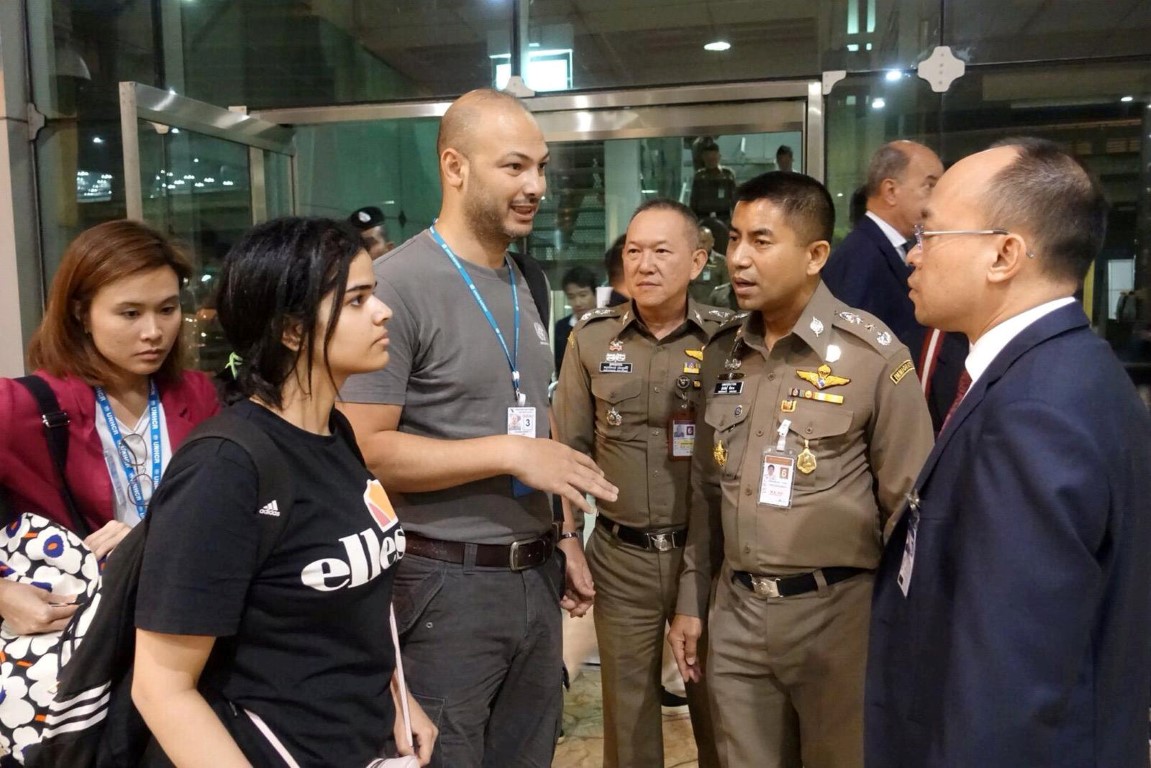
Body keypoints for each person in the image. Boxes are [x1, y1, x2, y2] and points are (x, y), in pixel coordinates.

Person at [337, 88, 618, 768]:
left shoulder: (526, 278)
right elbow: (364, 450)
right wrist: (509, 453)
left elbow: (529, 409)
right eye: (515, 168)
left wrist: (561, 536)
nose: (536, 187)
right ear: (454, 167)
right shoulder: (394, 286)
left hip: (533, 573)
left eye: (542, 168)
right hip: (441, 582)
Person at [866, 138, 1151, 768]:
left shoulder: (1035, 414)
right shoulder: (1064, 370)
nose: (913, 255)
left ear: (1004, 254)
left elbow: (1010, 680)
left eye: (931, 234)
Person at [133, 217, 437, 766]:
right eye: (357, 300)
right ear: (293, 330)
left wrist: (398, 697)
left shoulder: (334, 432)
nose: (382, 311)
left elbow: (355, 611)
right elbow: (161, 687)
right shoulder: (225, 466)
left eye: (375, 295)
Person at [668, 171, 934, 768]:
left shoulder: (873, 356)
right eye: (735, 238)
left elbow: (910, 510)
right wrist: (691, 601)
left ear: (816, 255)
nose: (738, 258)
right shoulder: (722, 354)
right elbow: (705, 495)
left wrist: (902, 632)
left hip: (837, 619)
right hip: (735, 615)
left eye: (761, 242)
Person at [554, 199, 728, 768]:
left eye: (661, 251)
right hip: (620, 555)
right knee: (627, 721)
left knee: (720, 712)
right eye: (633, 250)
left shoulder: (730, 343)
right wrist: (568, 540)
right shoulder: (591, 340)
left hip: (707, 557)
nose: (644, 264)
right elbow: (569, 451)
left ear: (699, 260)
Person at [0, 220, 219, 636]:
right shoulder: (21, 406)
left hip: (186, 622)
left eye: (168, 309)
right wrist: (3, 593)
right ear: (82, 313)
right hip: (78, 639)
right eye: (130, 313)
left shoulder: (198, 395)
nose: (153, 332)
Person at [821, 140, 964, 433]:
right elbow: (848, 353)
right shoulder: (860, 255)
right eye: (929, 186)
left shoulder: (897, 249)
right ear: (890, 191)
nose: (936, 199)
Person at [554, 265, 598, 375]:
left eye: (583, 295)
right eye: (571, 297)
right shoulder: (562, 327)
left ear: (595, 294)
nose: (577, 303)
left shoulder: (608, 324)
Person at [690, 138, 738, 223]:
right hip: (703, 218)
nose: (711, 161)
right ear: (703, 158)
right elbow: (694, 201)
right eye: (708, 158)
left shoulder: (727, 175)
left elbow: (734, 198)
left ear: (719, 157)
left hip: (724, 218)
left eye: (713, 157)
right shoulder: (700, 177)